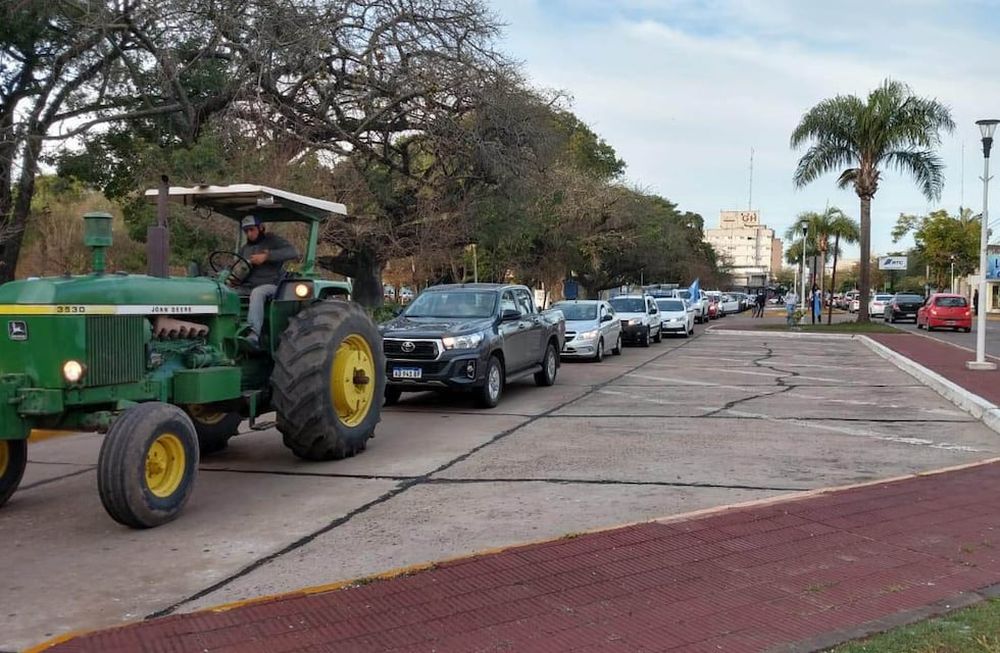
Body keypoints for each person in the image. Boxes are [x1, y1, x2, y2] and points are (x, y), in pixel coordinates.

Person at [230, 215, 300, 347]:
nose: (249, 234)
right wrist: (233, 279)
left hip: (272, 286)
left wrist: (267, 256)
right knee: (226, 293)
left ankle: (253, 334)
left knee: (258, 293)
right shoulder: (245, 249)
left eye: (251, 230)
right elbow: (237, 268)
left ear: (261, 228)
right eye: (246, 231)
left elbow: (293, 252)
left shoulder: (272, 240)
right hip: (248, 286)